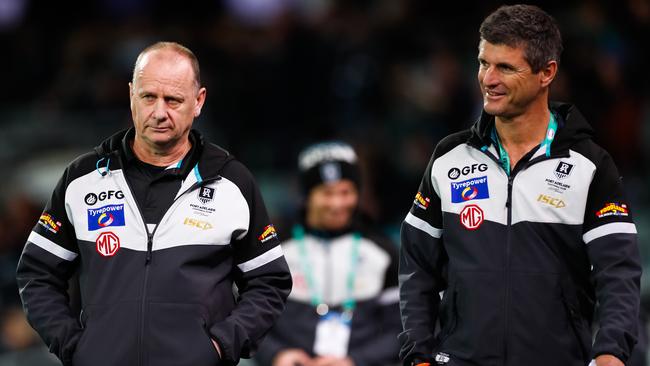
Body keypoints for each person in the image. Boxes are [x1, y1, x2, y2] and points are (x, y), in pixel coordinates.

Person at [15, 41, 292, 366]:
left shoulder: (232, 183)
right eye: (149, 97)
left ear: (198, 101)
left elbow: (269, 281)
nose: (159, 112)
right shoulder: (82, 179)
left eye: (173, 100)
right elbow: (37, 273)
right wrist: (75, 346)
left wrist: (219, 346)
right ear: (132, 94)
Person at [398, 5, 641, 366]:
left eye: (506, 67)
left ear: (547, 73)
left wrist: (610, 352)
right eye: (484, 63)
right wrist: (417, 353)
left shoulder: (589, 165)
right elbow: (417, 266)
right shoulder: (449, 157)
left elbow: (618, 272)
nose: (488, 79)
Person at [255, 142, 401, 366]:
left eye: (346, 192)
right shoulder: (273, 248)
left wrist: (355, 361)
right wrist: (276, 354)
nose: (337, 203)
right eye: (327, 193)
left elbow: (402, 329)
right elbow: (247, 316)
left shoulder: (383, 251)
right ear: (306, 195)